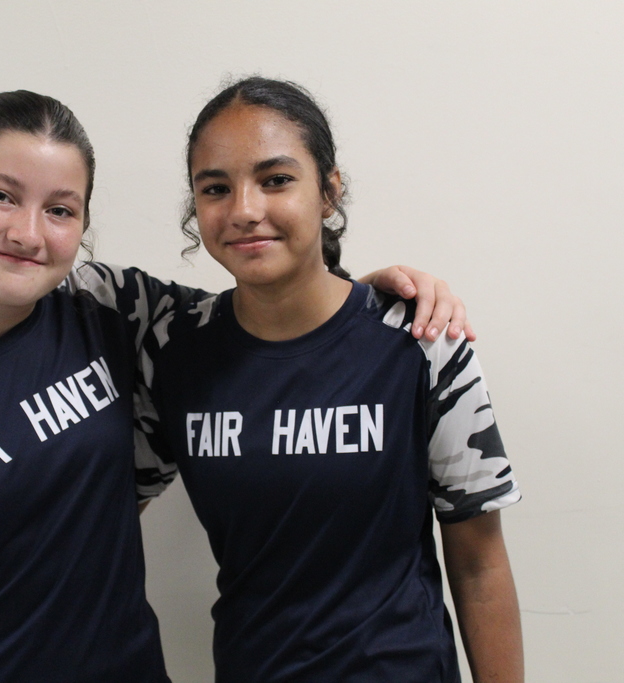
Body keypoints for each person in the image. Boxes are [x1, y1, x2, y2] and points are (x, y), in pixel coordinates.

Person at [0, 89, 472, 683]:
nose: (27, 232)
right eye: (0, 195)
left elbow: (274, 311)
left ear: (82, 224)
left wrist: (379, 296)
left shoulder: (110, 310)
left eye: (60, 209)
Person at [145, 77, 523, 683]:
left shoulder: (422, 339)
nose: (244, 209)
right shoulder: (174, 352)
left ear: (329, 191)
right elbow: (99, 502)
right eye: (215, 188)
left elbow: (478, 564)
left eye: (275, 180)